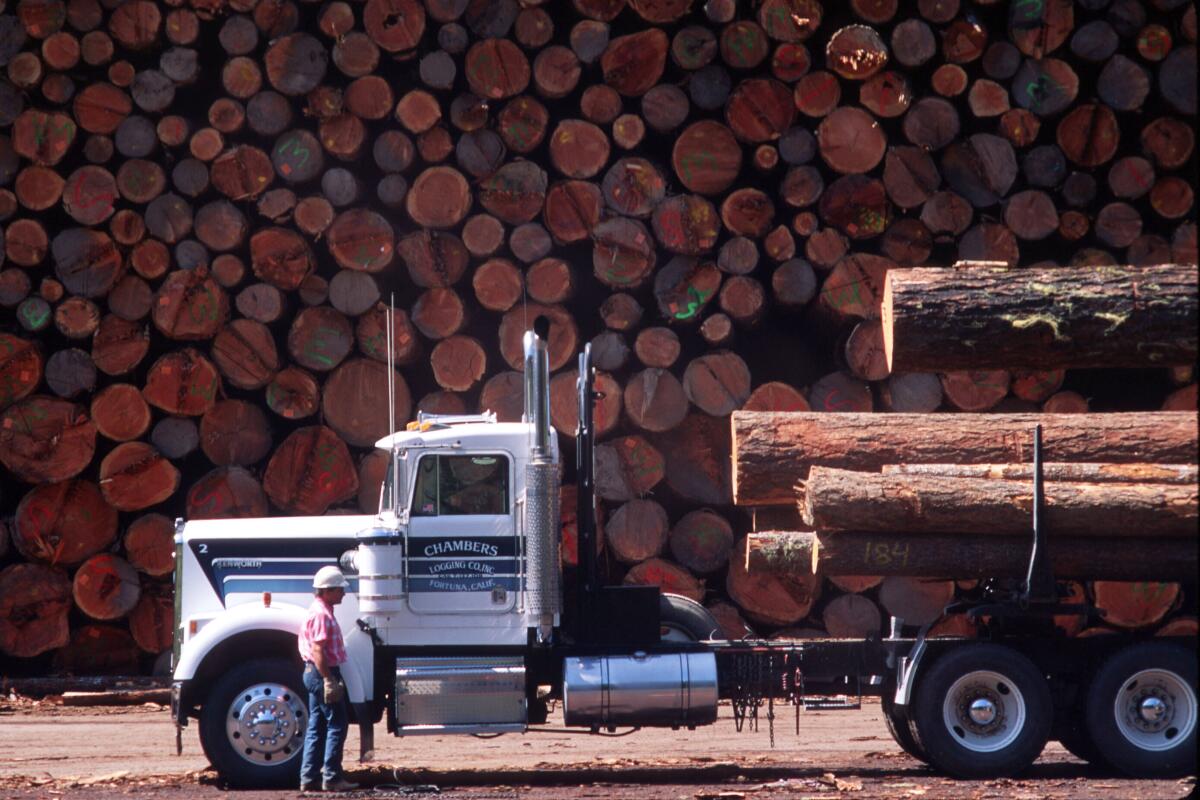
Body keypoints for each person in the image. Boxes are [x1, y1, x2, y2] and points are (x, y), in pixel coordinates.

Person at [298, 566, 358, 793]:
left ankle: (309, 777)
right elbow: (318, 652)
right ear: (327, 591)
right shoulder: (322, 616)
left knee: (317, 725)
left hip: (313, 673)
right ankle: (332, 777)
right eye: (339, 590)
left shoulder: (317, 610)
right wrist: (328, 680)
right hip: (321, 672)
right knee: (337, 724)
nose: (343, 593)